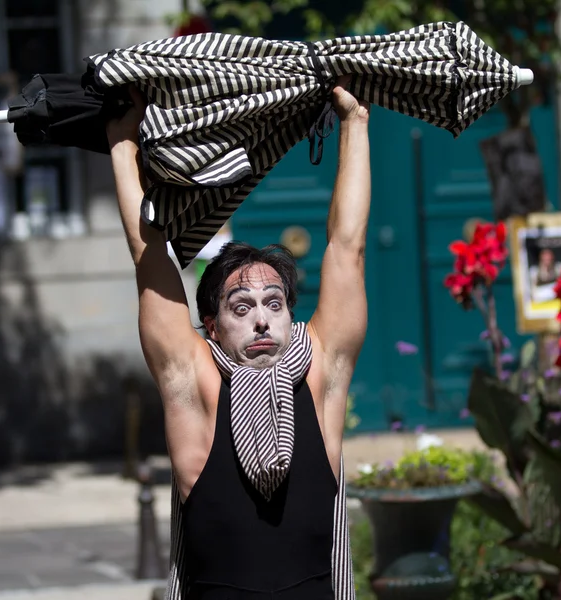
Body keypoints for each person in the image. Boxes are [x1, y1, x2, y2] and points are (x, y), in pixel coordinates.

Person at [106, 77, 371, 600]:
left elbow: (347, 247)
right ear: (212, 327)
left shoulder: (320, 374)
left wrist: (354, 122)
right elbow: (150, 257)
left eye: (275, 304)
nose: (262, 321)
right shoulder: (196, 385)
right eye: (241, 307)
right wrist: (123, 143)